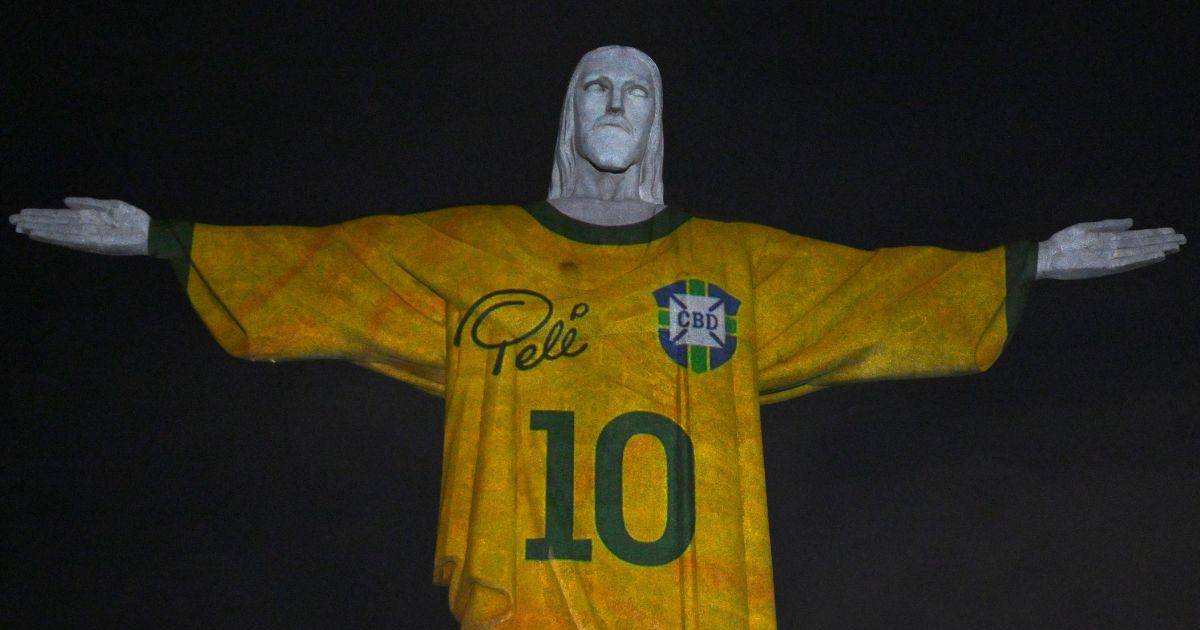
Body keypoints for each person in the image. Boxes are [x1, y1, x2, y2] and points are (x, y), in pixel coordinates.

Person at [8, 45, 1186, 629]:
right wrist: (163, 237)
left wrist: (1030, 263)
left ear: (658, 119)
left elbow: (877, 292)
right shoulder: (478, 253)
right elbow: (330, 265)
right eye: (595, 88)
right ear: (566, 112)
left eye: (636, 91)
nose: (615, 106)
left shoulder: (732, 267)